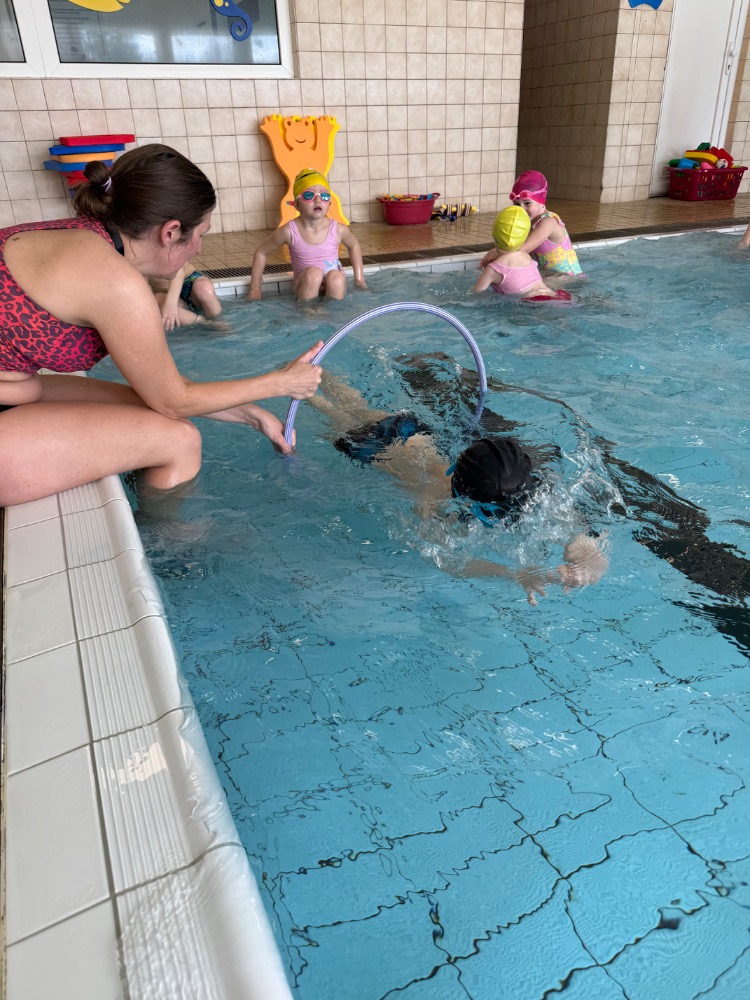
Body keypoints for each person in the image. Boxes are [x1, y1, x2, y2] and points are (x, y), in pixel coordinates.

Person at [0, 143, 323, 509]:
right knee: (179, 439)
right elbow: (174, 401)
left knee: (146, 403)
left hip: (15, 390)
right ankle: (173, 542)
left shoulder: (76, 235)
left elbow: (162, 392)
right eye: (201, 234)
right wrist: (281, 382)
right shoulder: (114, 281)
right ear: (170, 232)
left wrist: (252, 414)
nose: (198, 249)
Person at [308, 371, 608, 605]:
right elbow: (449, 563)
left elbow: (581, 538)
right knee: (335, 412)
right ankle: (306, 386)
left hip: (415, 433)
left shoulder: (526, 491)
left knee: (358, 407)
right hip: (379, 448)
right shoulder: (433, 503)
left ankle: (317, 373)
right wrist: (513, 574)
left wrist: (587, 559)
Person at [248, 168, 368, 301]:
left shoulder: (338, 229)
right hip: (305, 285)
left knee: (336, 277)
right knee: (313, 275)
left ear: (329, 204)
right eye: (309, 195)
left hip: (334, 285)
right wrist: (255, 290)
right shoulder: (289, 231)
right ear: (297, 205)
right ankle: (308, 311)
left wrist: (359, 279)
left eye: (324, 196)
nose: (318, 200)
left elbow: (354, 246)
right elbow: (261, 252)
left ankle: (333, 311)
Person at [479, 170, 584, 277]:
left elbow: (523, 249)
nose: (522, 209)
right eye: (517, 204)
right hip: (550, 275)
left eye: (527, 203)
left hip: (568, 278)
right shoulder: (528, 222)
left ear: (542, 201)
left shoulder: (548, 222)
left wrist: (495, 252)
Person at [472, 206, 557, 299]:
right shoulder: (526, 256)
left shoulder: (493, 270)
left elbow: (476, 294)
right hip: (554, 295)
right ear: (524, 238)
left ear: (494, 235)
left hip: (531, 301)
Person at [149, 260, 226, 331]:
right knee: (157, 299)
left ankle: (220, 321)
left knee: (204, 288)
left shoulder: (168, 251)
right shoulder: (142, 258)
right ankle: (204, 322)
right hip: (163, 292)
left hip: (188, 281)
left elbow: (179, 272)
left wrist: (171, 304)